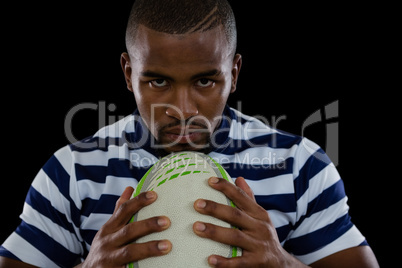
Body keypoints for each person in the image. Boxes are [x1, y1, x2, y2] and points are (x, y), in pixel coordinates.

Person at [0, 0, 379, 267]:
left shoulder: (300, 166)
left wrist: (283, 265)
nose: (182, 109)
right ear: (128, 72)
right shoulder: (71, 171)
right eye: (158, 80)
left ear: (234, 73)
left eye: (205, 81)